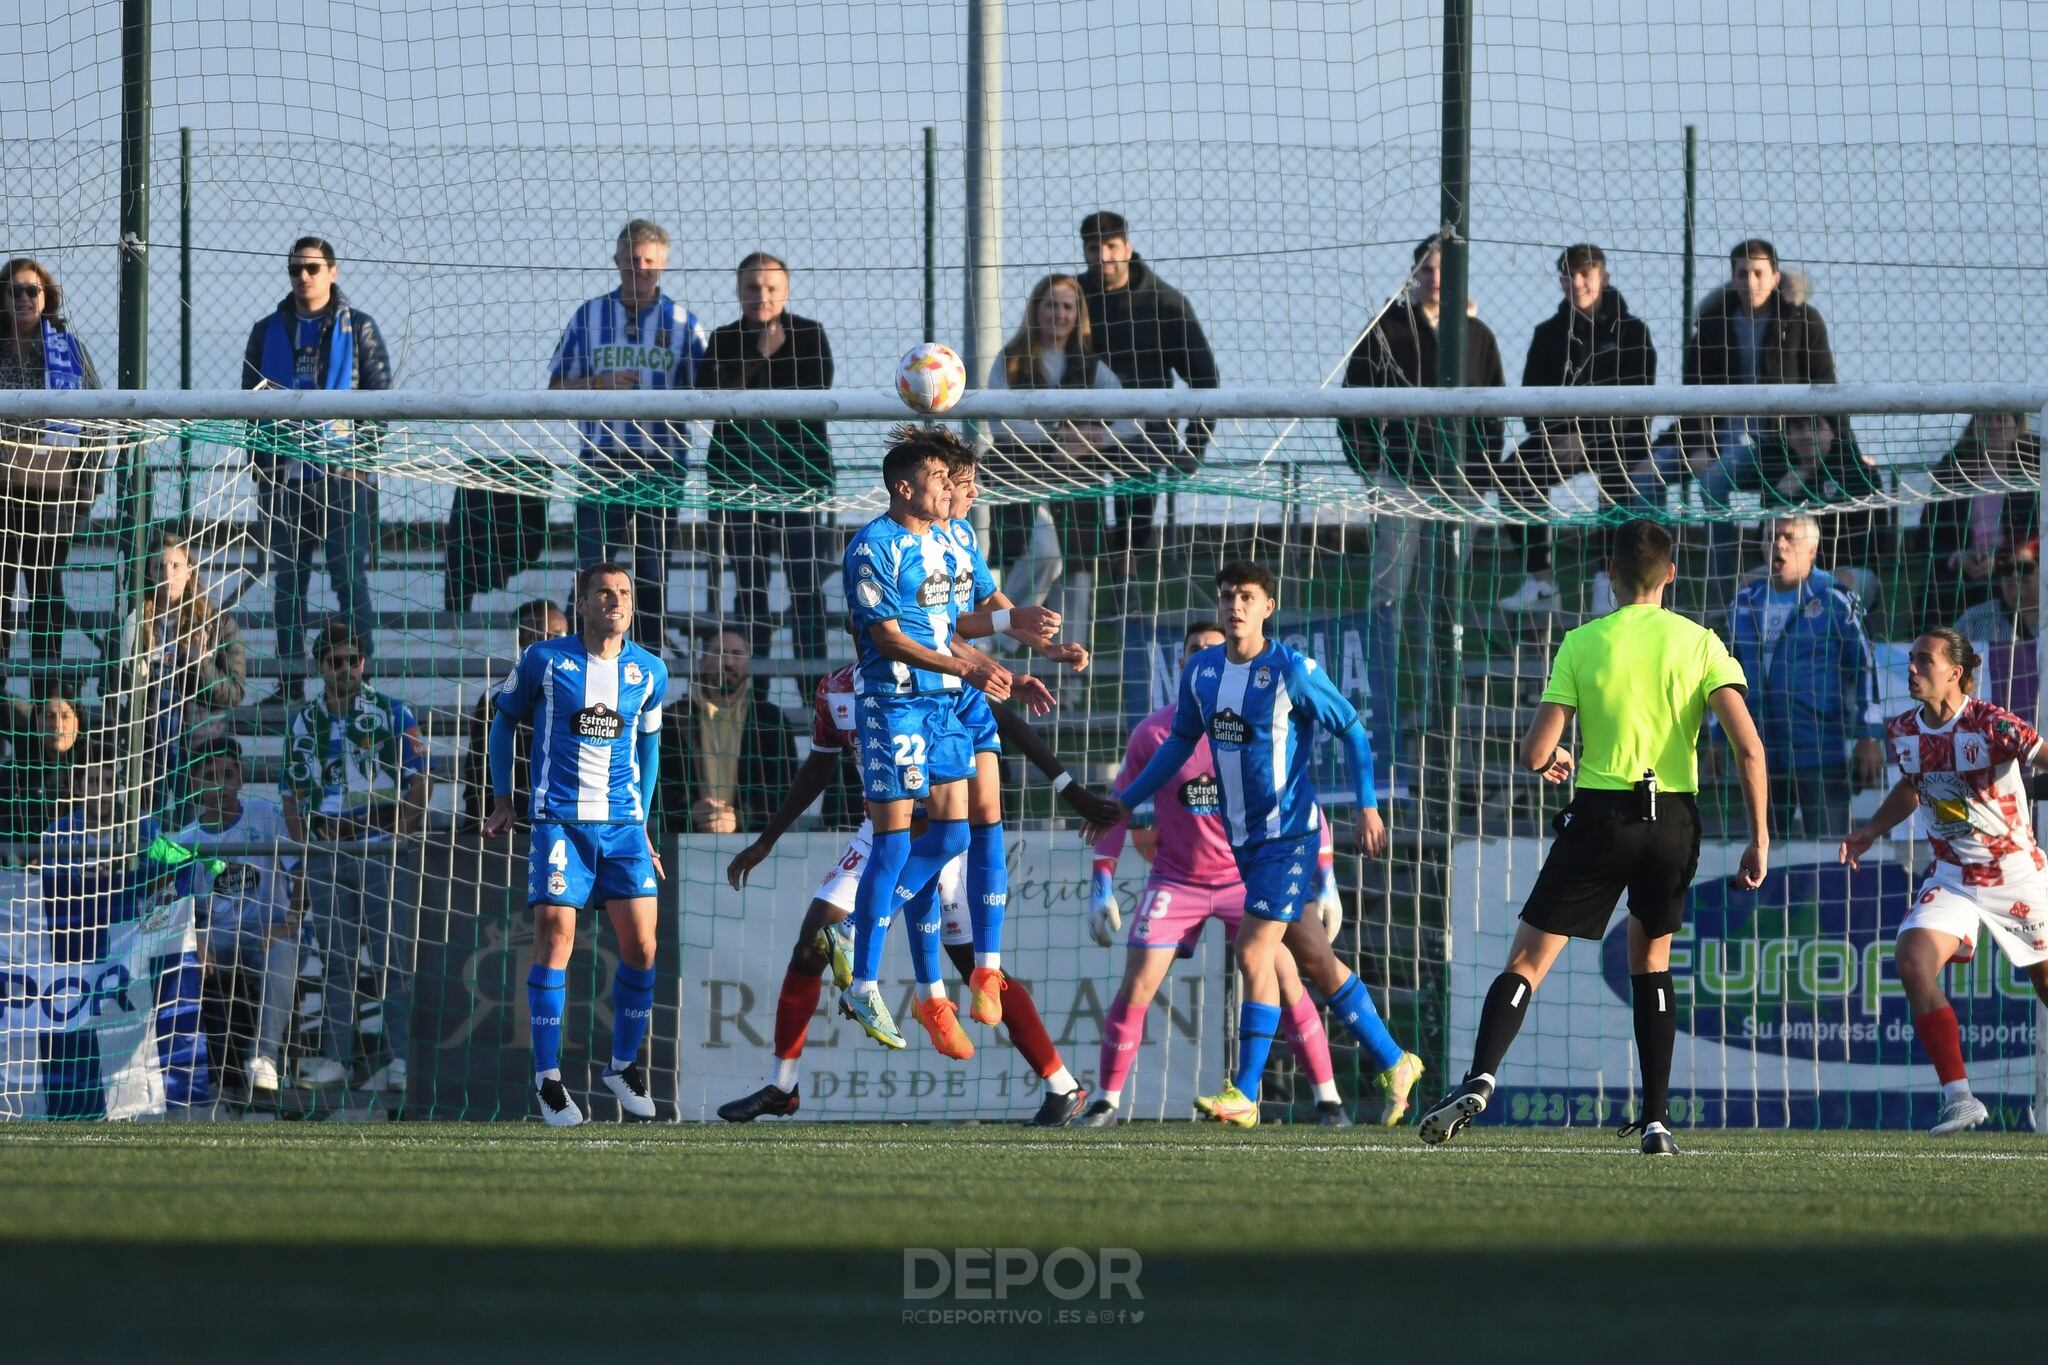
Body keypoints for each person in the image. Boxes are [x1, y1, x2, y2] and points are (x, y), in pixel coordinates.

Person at [1419, 519, 1770, 1156]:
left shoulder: (1583, 642)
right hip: (1672, 821)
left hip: (1602, 816)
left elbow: (1535, 753)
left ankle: (1480, 1077)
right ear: (1670, 573)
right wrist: (1760, 838)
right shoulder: (1700, 643)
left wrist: (1552, 761)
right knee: (1651, 962)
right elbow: (1749, 747)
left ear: (1610, 575)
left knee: (1528, 961)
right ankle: (1658, 1119)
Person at [1083, 562, 1422, 1128]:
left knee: (1253, 953)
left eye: (1246, 597)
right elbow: (1178, 745)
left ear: (1268, 606)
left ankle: (1245, 1091)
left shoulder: (1293, 670)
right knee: (1314, 958)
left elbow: (1354, 731)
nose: (1234, 606)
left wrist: (1367, 804)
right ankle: (1396, 1060)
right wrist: (1128, 800)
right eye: (1226, 597)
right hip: (1245, 843)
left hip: (1287, 836)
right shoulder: (1204, 673)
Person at [717, 661, 1122, 1125]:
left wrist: (1068, 789)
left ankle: (1061, 1084)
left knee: (972, 965)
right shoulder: (835, 688)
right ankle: (782, 1086)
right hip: (881, 833)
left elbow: (1000, 718)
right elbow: (820, 763)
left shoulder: (928, 666)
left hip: (939, 836)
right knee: (812, 943)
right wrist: (767, 839)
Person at [836, 425, 1020, 1058]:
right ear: (904, 487)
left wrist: (1012, 632)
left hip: (940, 704)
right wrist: (965, 666)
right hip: (893, 704)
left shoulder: (944, 543)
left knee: (952, 835)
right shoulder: (873, 547)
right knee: (894, 841)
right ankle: (863, 980)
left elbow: (954, 623)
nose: (952, 489)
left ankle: (858, 929)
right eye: (941, 479)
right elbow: (887, 637)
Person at [1839, 628, 2048, 1137]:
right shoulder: (1903, 731)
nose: (1912, 669)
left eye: (1924, 661)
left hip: (2015, 875)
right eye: (1909, 660)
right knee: (1911, 961)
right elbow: (1914, 787)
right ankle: (1960, 1099)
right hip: (1952, 875)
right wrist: (1870, 830)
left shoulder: (1992, 723)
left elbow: (2043, 759)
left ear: (1955, 672)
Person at [484, 562, 671, 1127]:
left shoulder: (650, 671)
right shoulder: (545, 660)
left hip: (622, 828)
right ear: (582, 604)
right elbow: (502, 721)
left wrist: (641, 824)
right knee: (555, 938)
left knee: (642, 948)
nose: (615, 601)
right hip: (558, 821)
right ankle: (549, 1081)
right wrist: (502, 796)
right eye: (604, 594)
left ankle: (621, 1065)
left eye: (624, 593)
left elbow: (650, 748)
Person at [1656, 239, 1857, 594]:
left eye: (1758, 273)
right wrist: (1700, 444)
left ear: (1776, 277)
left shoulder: (1801, 320)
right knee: (1647, 474)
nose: (1751, 282)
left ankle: (1724, 593)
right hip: (1714, 439)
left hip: (1773, 445)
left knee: (1712, 483)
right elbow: (1693, 396)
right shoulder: (1713, 324)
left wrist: (1844, 447)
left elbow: (1826, 386)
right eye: (1742, 273)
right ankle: (1651, 588)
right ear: (1732, 278)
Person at [281, 621, 428, 1094]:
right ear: (320, 666)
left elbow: (421, 779)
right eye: (334, 661)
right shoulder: (302, 721)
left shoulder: (395, 712)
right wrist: (309, 847)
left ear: (364, 663)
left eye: (352, 660)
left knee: (392, 959)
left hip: (379, 842)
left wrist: (396, 835)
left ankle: (403, 1057)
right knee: (336, 959)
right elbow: (290, 793)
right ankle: (336, 1057)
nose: (345, 669)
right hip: (328, 846)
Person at [549, 219, 707, 649]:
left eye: (649, 263)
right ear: (617, 260)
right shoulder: (589, 315)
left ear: (664, 265)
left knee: (653, 572)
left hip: (662, 462)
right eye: (633, 261)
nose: (640, 269)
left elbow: (706, 391)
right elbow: (555, 387)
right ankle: (577, 658)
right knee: (591, 570)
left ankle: (651, 667)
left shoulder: (682, 322)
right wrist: (596, 384)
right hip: (602, 462)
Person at [240, 236, 392, 678]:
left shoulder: (359, 326)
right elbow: (248, 400)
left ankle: (363, 677)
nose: (303, 277)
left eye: (312, 268)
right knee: (288, 582)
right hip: (284, 476)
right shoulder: (266, 330)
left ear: (332, 272)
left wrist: (359, 459)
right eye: (295, 270)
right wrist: (261, 465)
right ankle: (290, 683)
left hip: (343, 476)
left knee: (348, 578)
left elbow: (380, 401)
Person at [1500, 243, 1657, 614]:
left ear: (1603, 277)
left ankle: (1607, 581)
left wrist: (1587, 437)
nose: (1577, 282)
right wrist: (1555, 434)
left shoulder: (1633, 332)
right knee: (1512, 471)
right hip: (1561, 440)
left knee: (1617, 480)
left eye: (1586, 273)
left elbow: (1638, 402)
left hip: (1619, 441)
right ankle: (1540, 582)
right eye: (1569, 274)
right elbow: (1531, 396)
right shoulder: (1548, 333)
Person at [700, 252, 836, 662]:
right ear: (739, 291)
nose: (762, 295)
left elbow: (816, 387)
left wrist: (771, 357)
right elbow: (711, 394)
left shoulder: (809, 334)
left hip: (800, 479)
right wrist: (759, 355)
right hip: (738, 482)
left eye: (771, 288)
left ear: (786, 291)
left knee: (805, 586)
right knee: (749, 588)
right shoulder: (724, 339)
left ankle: (813, 683)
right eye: (753, 288)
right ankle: (752, 689)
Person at [985, 272, 1128, 652]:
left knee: (1078, 577)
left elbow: (1132, 418)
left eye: (1068, 306)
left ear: (1078, 313)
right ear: (1036, 309)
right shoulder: (1012, 360)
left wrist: (1095, 438)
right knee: (1043, 554)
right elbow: (999, 421)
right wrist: (1053, 440)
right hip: (1017, 477)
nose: (1059, 313)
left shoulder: (1093, 367)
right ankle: (997, 637)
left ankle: (1069, 684)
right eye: (1051, 304)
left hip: (1077, 484)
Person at [1721, 514, 1884, 840]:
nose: (1778, 544)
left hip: (1820, 749)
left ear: (1812, 549)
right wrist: (1715, 736)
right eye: (1770, 537)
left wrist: (1870, 736)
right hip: (1758, 747)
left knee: (1829, 849)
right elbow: (1724, 675)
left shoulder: (1836, 598)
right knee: (1763, 850)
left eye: (1788, 537)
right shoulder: (1743, 602)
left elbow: (1865, 667)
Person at [173, 738, 322, 1095]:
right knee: (181, 957)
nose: (221, 783)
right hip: (217, 937)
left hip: (268, 930)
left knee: (282, 950)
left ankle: (265, 1059)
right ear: (194, 784)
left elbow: (304, 867)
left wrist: (291, 920)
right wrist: (196, 939)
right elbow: (176, 908)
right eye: (210, 776)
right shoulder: (184, 840)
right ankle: (185, 1070)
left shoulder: (267, 816)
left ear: (240, 778)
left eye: (228, 773)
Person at [1077, 211, 1218, 577]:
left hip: (1144, 437)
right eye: (1094, 248)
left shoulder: (1166, 303)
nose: (1103, 256)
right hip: (1077, 431)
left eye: (1111, 246)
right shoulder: (1068, 301)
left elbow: (1205, 377)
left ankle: (1126, 596)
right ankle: (1072, 591)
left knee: (1132, 514)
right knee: (1074, 522)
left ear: (1128, 247)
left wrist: (1194, 445)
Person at [0, 257, 104, 668]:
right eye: (14, 291)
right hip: (2, 492)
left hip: (52, 498)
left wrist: (86, 485)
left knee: (45, 591)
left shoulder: (69, 350)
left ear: (46, 297)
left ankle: (48, 691)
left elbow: (98, 421)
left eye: (32, 290)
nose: (24, 298)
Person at [130, 533, 249, 788]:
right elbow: (107, 689)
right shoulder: (132, 623)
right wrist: (135, 674)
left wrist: (201, 663)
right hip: (147, 749)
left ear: (189, 570)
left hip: (199, 747)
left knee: (190, 818)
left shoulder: (218, 624)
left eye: (175, 565)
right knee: (150, 818)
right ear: (148, 573)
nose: (167, 574)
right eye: (158, 566)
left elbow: (234, 693)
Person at [658, 627, 799, 836]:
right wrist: (688, 810)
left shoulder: (771, 720)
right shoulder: (674, 719)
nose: (728, 663)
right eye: (719, 653)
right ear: (702, 662)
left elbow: (786, 790)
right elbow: (657, 786)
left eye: (737, 654)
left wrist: (740, 818)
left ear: (748, 663)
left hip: (755, 841)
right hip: (685, 839)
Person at [1920, 413, 2040, 623]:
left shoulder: (2034, 467)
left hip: (2016, 566)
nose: (1993, 426)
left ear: (2017, 426)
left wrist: (2002, 559)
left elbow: (2038, 533)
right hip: (1962, 569)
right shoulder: (1953, 467)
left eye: (2001, 420)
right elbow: (1929, 532)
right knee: (1939, 593)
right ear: (1974, 426)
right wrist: (1958, 557)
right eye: (1985, 419)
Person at [460, 599, 567, 826]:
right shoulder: (497, 697)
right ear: (523, 640)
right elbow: (478, 767)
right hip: (513, 821)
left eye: (559, 637)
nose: (549, 645)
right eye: (541, 636)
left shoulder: (581, 693)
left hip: (565, 817)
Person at [1954, 544, 2039, 721]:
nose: (2015, 576)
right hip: (1992, 733)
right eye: (2007, 569)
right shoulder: (1974, 621)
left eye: (2025, 568)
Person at [0, 693, 87, 856]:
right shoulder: (13, 773)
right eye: (49, 716)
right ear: (36, 722)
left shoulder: (95, 770)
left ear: (78, 722)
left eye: (65, 716)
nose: (56, 725)